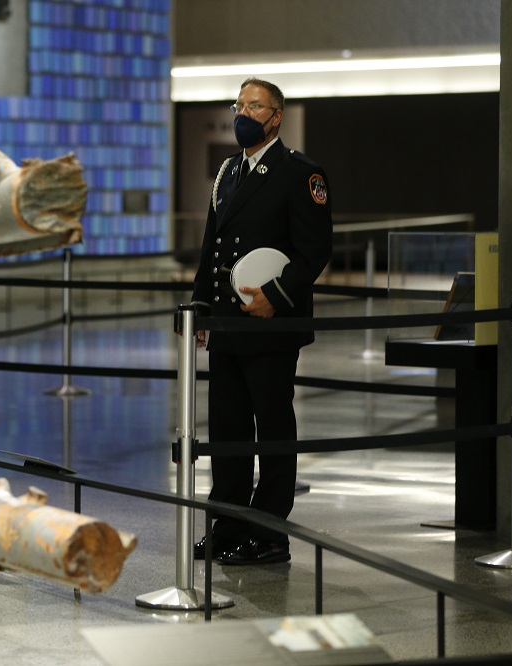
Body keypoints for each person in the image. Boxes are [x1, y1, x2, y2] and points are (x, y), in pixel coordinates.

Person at [190, 78, 333, 565]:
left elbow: (314, 250)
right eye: (239, 104)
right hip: (229, 326)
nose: (243, 112)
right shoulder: (228, 172)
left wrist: (275, 296)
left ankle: (270, 532)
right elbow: (212, 249)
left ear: (276, 117)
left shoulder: (300, 174)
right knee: (227, 432)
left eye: (255, 105)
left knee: (272, 431)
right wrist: (201, 310)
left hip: (271, 324)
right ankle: (227, 525)